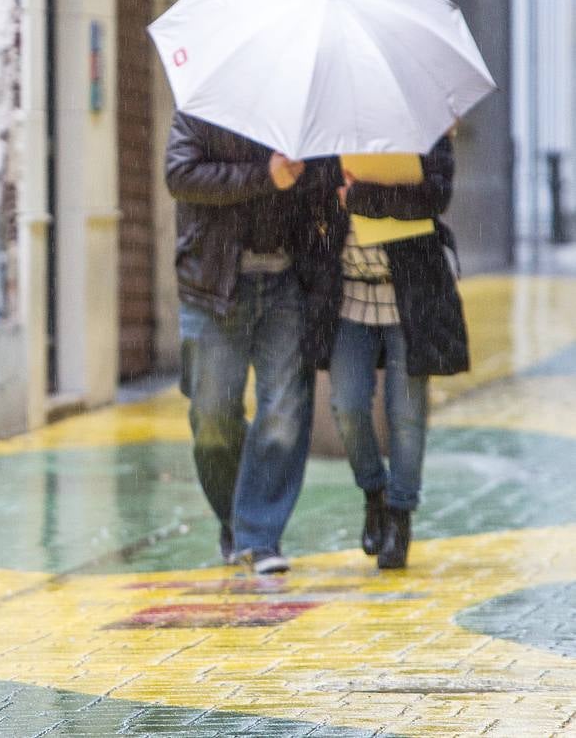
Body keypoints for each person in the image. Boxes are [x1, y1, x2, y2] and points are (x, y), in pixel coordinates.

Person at [296, 134, 468, 569]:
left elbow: (434, 196)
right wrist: (326, 194)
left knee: (406, 412)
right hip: (348, 296)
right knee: (347, 404)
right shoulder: (327, 135)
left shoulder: (424, 132)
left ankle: (400, 514)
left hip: (409, 297)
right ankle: (374, 493)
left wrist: (363, 196)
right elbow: (307, 200)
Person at [165, 111, 314, 575]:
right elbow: (181, 175)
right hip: (212, 285)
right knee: (211, 418)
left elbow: (322, 194)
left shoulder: (300, 115)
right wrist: (264, 176)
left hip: (287, 282)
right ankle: (237, 519)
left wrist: (305, 179)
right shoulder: (202, 107)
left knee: (284, 413)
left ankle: (259, 537)